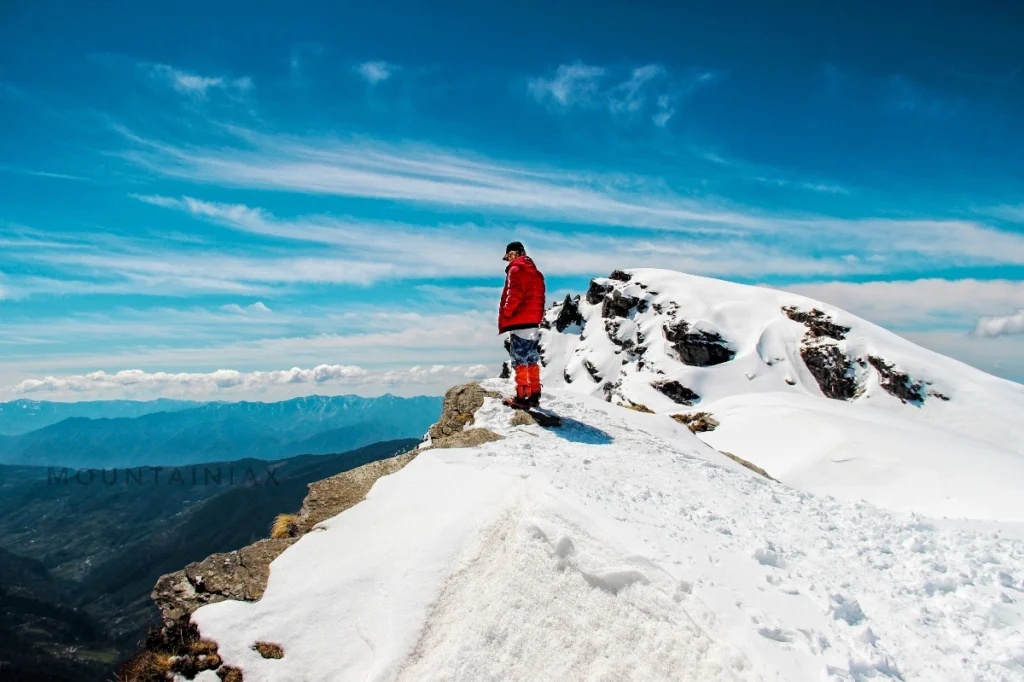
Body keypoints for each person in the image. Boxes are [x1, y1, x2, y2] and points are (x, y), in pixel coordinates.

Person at [498, 241, 546, 409]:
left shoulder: (515, 270)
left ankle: (522, 396)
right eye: (508, 257)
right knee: (532, 357)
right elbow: (540, 297)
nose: (510, 260)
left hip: (520, 320)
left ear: (519, 253)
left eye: (511, 255)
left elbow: (514, 293)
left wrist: (507, 312)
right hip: (534, 321)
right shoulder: (537, 274)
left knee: (519, 358)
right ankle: (534, 394)